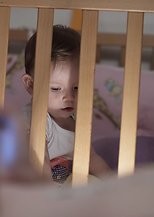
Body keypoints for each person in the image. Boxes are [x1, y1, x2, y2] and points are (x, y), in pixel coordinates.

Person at [21, 25, 115, 183]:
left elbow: (90, 158)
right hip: (23, 180)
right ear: (31, 85)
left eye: (76, 87)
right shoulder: (37, 120)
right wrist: (47, 195)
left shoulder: (76, 118)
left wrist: (114, 183)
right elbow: (39, 162)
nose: (69, 97)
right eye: (56, 88)